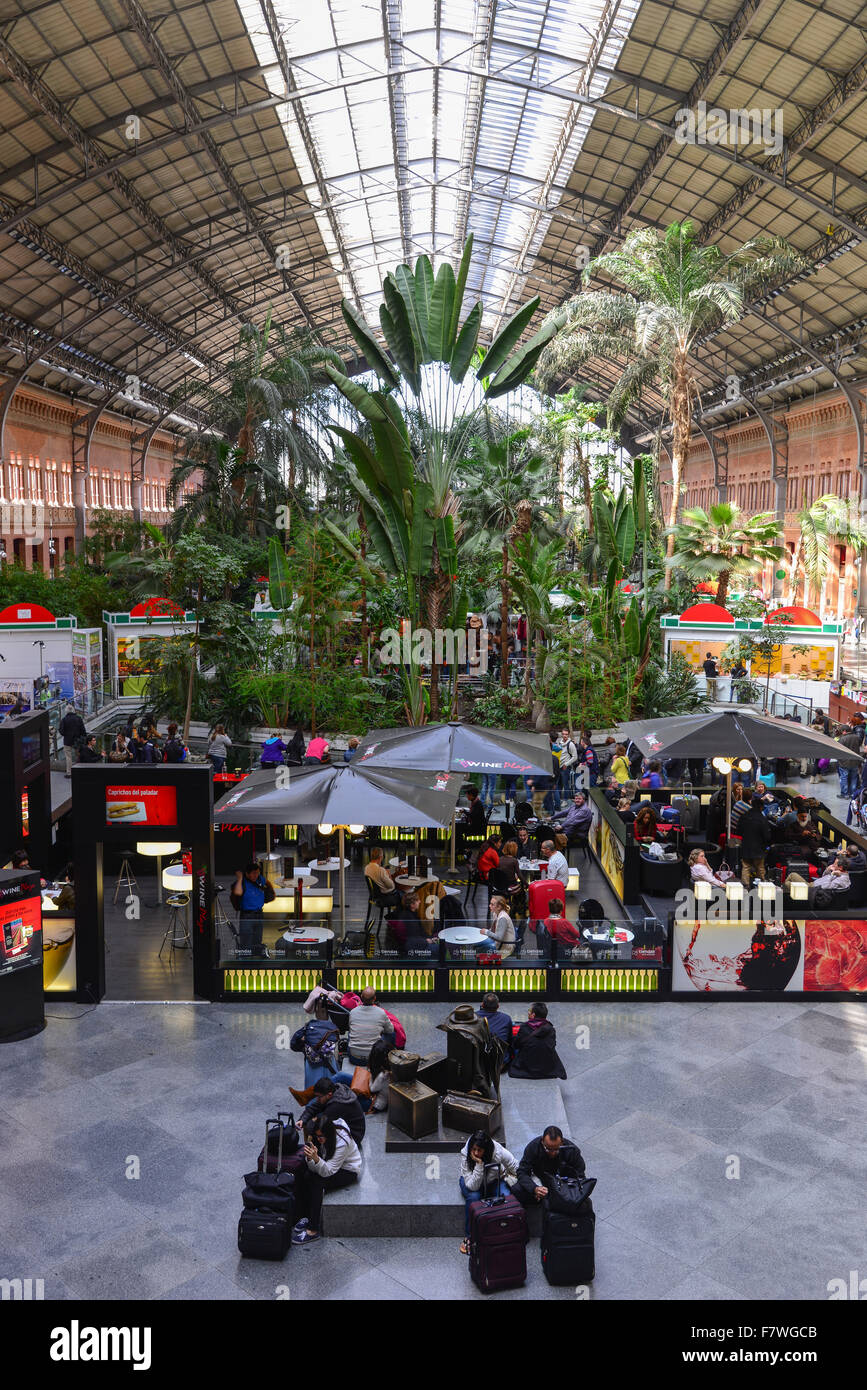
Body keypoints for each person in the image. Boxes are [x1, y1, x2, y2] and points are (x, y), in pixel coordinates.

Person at [291, 1116, 363, 1245]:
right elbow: (314, 1167)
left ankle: (313, 1229)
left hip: (347, 1170)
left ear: (329, 1134)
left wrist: (316, 1159)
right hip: (328, 1163)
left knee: (317, 1182)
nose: (319, 1140)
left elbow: (328, 1171)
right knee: (306, 1174)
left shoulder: (342, 1142)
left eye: (321, 1137)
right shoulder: (321, 1135)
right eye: (317, 1136)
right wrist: (310, 1158)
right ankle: (306, 1215)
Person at [457, 1131, 520, 1254]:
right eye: (474, 1149)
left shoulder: (498, 1152)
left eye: (479, 1150)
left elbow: (515, 1166)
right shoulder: (465, 1153)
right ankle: (470, 1237)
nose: (475, 1153)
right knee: (474, 1198)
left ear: (486, 1149)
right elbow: (472, 1186)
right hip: (471, 1182)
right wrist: (479, 1164)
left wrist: (533, 1184)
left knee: (506, 1196)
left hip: (492, 1181)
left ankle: (508, 1233)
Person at [514, 1125, 586, 1209]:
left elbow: (580, 1175)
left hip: (564, 1183)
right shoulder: (533, 1147)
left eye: (556, 1149)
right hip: (542, 1180)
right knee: (517, 1189)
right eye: (548, 1149)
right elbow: (522, 1172)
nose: (552, 1153)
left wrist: (567, 1189)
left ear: (562, 1143)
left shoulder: (572, 1150)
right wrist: (534, 1188)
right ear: (542, 1141)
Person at [297, 1076, 366, 1147]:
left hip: (354, 1136)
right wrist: (302, 1120)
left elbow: (320, 1125)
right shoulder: (333, 1091)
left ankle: (315, 1152)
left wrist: (310, 1124)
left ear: (329, 1095)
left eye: (319, 1097)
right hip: (351, 1128)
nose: (317, 1099)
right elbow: (314, 1107)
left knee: (315, 1130)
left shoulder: (336, 1105)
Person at [509, 1001, 567, 1080]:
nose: (528, 1013)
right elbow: (553, 1045)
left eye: (529, 1011)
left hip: (526, 1068)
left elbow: (516, 1045)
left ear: (533, 1015)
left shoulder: (524, 1027)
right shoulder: (551, 1029)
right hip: (547, 1069)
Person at [289, 1001, 341, 1088]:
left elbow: (293, 1045)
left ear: (316, 1013)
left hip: (311, 1066)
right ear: (328, 1013)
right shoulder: (334, 1029)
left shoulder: (308, 1027)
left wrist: (303, 1044)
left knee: (312, 1091)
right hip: (329, 1065)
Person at [230, 860, 274, 955]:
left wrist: (269, 892)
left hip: (259, 914)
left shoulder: (260, 879)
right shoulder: (242, 883)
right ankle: (246, 961)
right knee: (246, 940)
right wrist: (240, 879)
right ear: (247, 873)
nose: (256, 875)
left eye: (258, 873)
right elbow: (237, 893)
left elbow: (268, 884)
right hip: (247, 916)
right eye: (254, 873)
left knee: (257, 939)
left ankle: (255, 960)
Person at [347, 987, 395, 1067]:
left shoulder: (353, 1012)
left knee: (350, 1033)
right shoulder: (381, 1012)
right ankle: (389, 1055)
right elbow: (390, 1030)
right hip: (374, 1059)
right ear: (375, 998)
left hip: (354, 1058)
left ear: (361, 997)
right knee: (392, 1034)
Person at [737, 791, 772, 888]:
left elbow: (739, 830)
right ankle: (762, 887)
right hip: (758, 849)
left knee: (746, 867)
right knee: (760, 868)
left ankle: (745, 887)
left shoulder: (744, 816)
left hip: (746, 847)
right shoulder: (762, 819)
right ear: (761, 807)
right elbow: (767, 836)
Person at [484, 895, 516, 959]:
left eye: (492, 904)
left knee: (480, 948)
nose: (489, 906)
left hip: (504, 947)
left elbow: (499, 938)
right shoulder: (496, 914)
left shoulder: (503, 918)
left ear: (499, 907)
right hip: (498, 942)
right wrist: (487, 932)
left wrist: (486, 932)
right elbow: (494, 929)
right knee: (478, 944)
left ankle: (486, 965)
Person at [59, 705, 86, 778]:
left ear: (66, 711)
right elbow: (83, 730)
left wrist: (67, 734)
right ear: (73, 710)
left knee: (68, 757)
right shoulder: (79, 718)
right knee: (79, 755)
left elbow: (61, 731)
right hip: (77, 740)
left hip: (67, 741)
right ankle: (80, 771)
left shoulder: (64, 719)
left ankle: (69, 773)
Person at [837, 727, 862, 800]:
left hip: (844, 762)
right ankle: (852, 794)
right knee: (854, 778)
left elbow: (838, 749)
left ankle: (844, 794)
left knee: (844, 778)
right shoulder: (857, 737)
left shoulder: (842, 739)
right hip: (855, 761)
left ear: (844, 731)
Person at [558, 729, 579, 797]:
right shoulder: (559, 743)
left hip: (565, 768)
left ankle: (567, 800)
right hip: (559, 767)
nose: (564, 736)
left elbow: (575, 757)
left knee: (565, 785)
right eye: (563, 734)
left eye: (566, 734)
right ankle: (559, 800)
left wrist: (566, 764)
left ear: (568, 735)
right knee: (559, 785)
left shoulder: (571, 744)